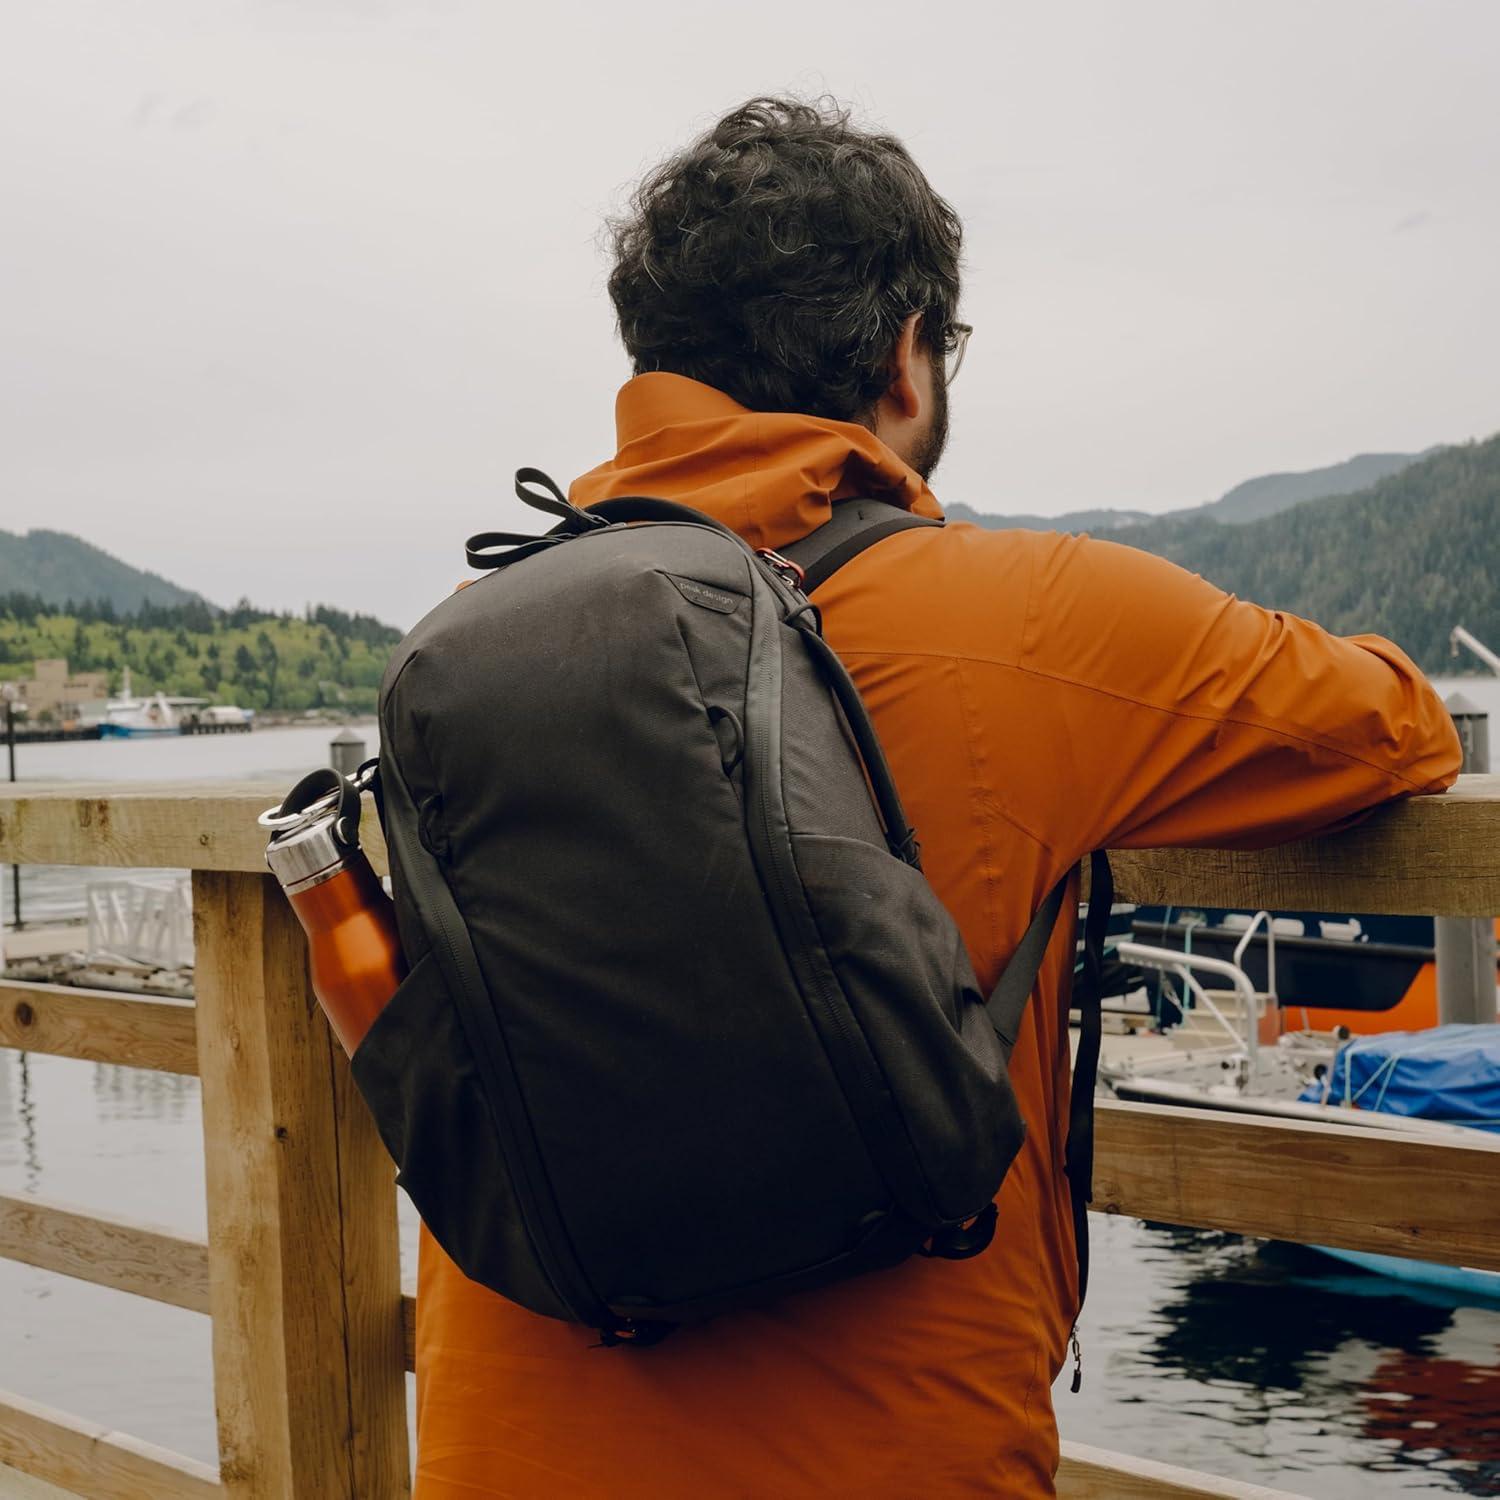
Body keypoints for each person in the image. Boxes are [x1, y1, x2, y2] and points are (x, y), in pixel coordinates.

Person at [413, 97, 1461, 1497]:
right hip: (889, 1454)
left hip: (501, 1453)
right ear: (906, 358)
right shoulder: (1031, 616)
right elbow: (1395, 730)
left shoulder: (479, 638)